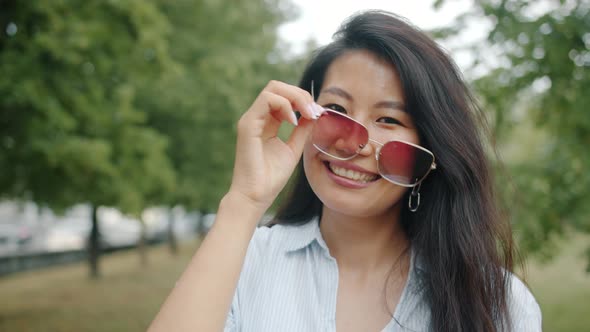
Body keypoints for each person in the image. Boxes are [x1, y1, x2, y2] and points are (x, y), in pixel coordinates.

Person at [148, 10, 542, 332]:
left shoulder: (499, 303)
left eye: (388, 119)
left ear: (431, 150)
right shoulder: (242, 261)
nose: (353, 143)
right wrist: (244, 201)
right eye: (335, 110)